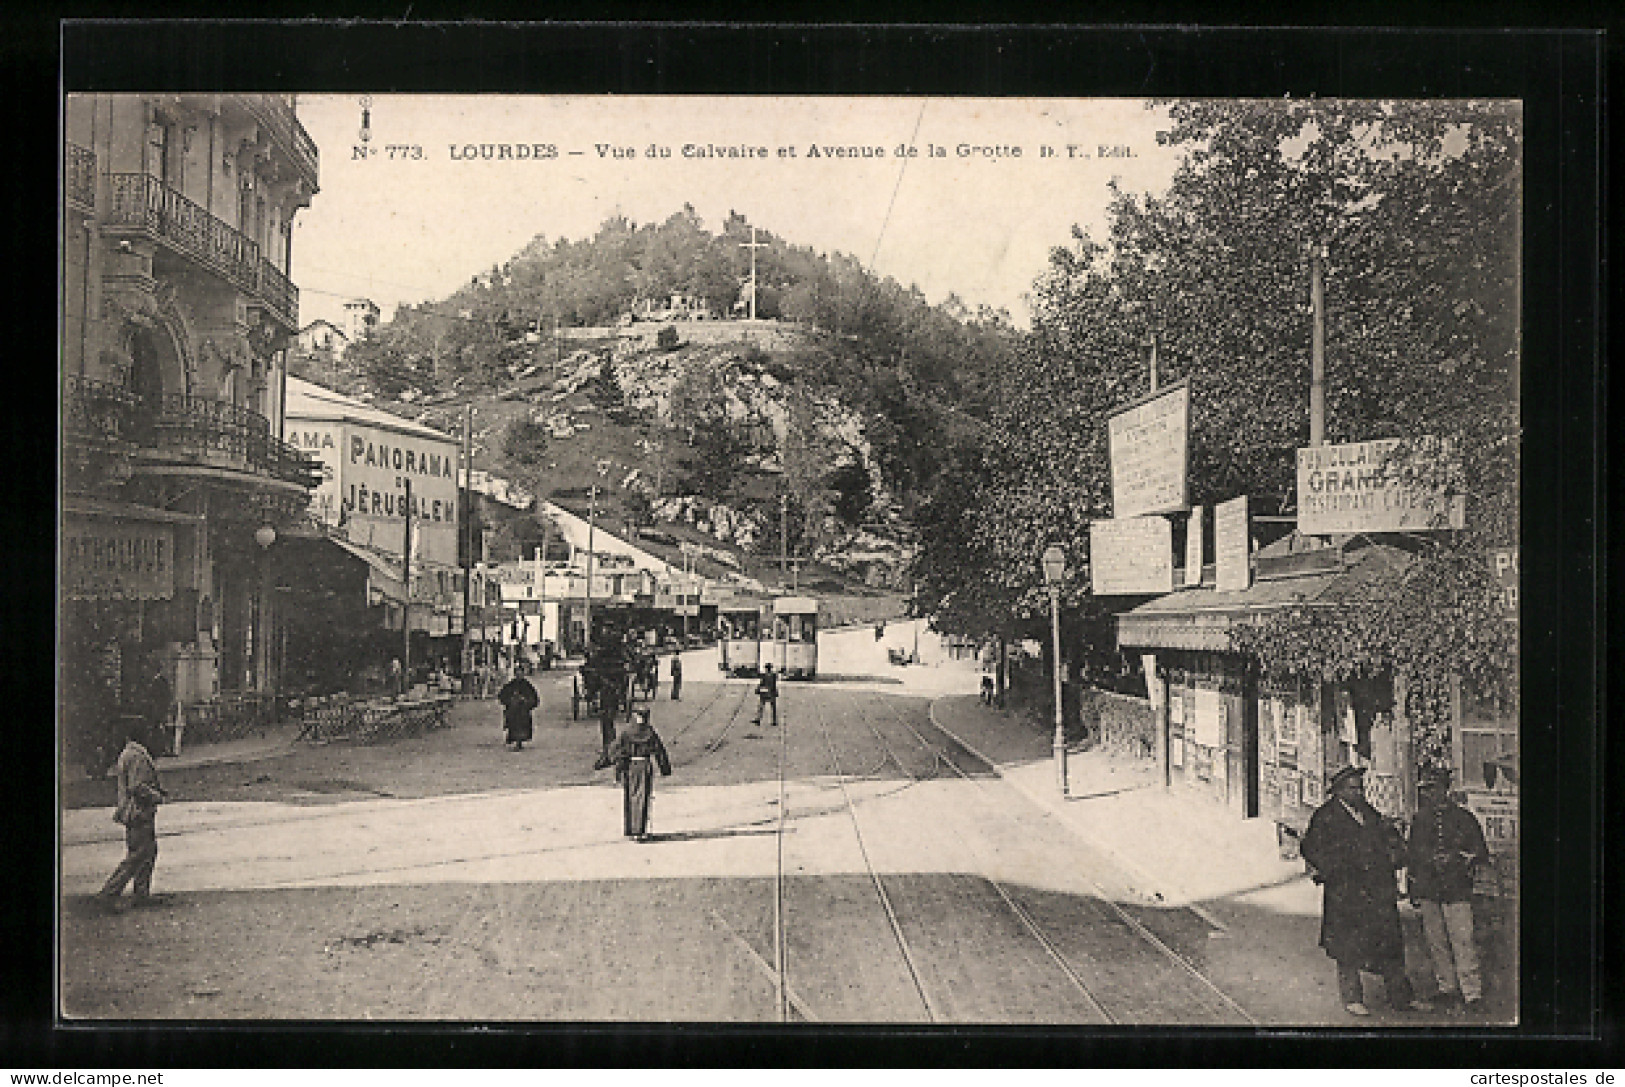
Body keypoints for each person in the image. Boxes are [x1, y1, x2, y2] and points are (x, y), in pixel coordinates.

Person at [1300, 764, 1431, 1017]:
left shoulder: (1368, 813)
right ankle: (1352, 997)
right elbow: (1310, 848)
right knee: (1347, 947)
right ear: (1338, 791)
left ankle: (1401, 998)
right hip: (1346, 892)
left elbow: (1387, 837)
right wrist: (1332, 870)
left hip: (1377, 889)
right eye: (1352, 788)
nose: (1358, 792)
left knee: (1390, 944)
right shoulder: (1325, 816)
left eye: (1360, 788)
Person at [1407, 770, 1491, 1013]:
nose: (1431, 794)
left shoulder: (1464, 818)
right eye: (1427, 789)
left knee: (1463, 940)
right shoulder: (1420, 820)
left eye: (1435, 788)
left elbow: (1480, 852)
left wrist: (1456, 858)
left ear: (1446, 789)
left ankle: (1472, 993)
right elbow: (1412, 856)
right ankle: (1447, 989)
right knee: (1436, 942)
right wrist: (1413, 886)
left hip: (1457, 889)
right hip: (1429, 889)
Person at [97, 716, 167, 909]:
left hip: (134, 811)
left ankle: (141, 894)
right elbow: (137, 786)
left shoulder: (130, 753)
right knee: (138, 855)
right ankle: (110, 893)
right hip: (138, 812)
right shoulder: (136, 755)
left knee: (147, 852)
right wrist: (157, 796)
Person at [605, 708, 672, 842]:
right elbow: (659, 750)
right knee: (642, 797)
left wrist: (616, 764)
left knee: (631, 797)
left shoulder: (627, 732)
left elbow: (615, 749)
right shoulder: (650, 732)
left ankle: (630, 830)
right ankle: (639, 831)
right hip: (644, 766)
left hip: (630, 767)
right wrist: (665, 769)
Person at [496, 661, 539, 751]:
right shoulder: (511, 685)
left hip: (523, 712)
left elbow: (534, 698)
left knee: (522, 727)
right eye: (517, 673)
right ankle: (515, 740)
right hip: (513, 711)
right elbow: (502, 696)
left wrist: (526, 702)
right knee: (513, 726)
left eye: (521, 672)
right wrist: (510, 701)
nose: (519, 675)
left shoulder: (527, 685)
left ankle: (519, 742)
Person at [752, 663, 779, 727]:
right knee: (773, 707)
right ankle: (774, 721)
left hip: (765, 692)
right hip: (772, 692)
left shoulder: (765, 675)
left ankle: (758, 719)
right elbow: (774, 684)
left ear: (767, 669)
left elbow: (762, 683)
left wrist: (757, 689)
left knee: (761, 706)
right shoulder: (774, 675)